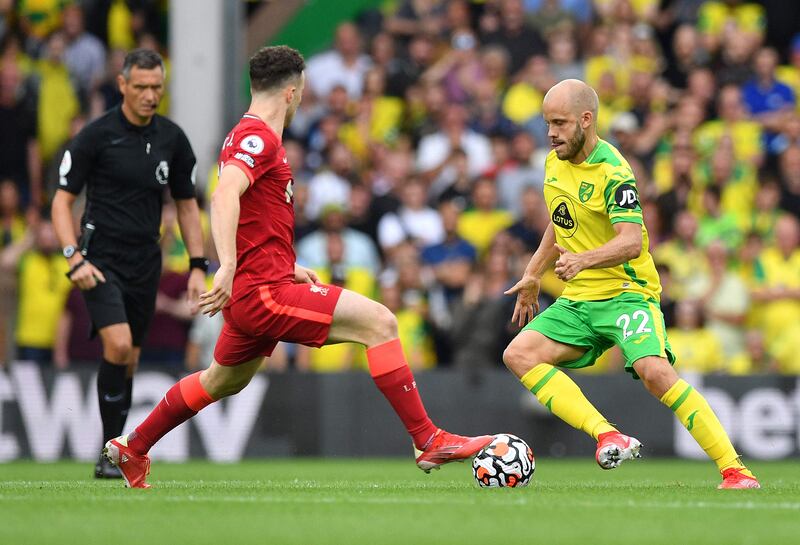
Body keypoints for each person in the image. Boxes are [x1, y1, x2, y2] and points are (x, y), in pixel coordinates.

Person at [102, 45, 492, 488]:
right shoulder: (259, 139)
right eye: (302, 91)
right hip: (261, 293)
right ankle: (427, 438)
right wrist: (226, 264)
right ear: (291, 92)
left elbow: (256, 218)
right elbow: (224, 194)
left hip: (262, 286)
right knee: (380, 323)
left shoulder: (251, 136)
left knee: (220, 380)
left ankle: (133, 446)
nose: (303, 98)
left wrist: (289, 265)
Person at [501, 79, 760, 489]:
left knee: (654, 372)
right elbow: (560, 219)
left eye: (560, 123)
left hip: (626, 293)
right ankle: (608, 435)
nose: (550, 133)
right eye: (547, 123)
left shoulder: (614, 171)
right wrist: (533, 273)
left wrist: (583, 259)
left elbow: (631, 240)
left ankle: (735, 470)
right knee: (519, 355)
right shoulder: (554, 162)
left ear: (587, 119)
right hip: (581, 298)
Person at [50, 49, 207, 479]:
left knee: (131, 358)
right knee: (117, 346)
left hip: (145, 261)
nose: (150, 95)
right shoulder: (95, 136)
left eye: (157, 87)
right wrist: (73, 257)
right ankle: (109, 452)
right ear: (122, 85)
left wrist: (198, 264)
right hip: (100, 259)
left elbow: (187, 206)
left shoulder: (173, 139)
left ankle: (115, 447)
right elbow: (61, 204)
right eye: (141, 87)